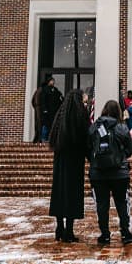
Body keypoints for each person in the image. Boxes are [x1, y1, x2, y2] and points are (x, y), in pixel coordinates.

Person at [88, 99, 132, 245]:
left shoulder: (93, 128)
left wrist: (95, 161)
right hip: (120, 173)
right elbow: (131, 149)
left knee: (101, 204)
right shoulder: (122, 127)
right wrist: (121, 158)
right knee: (122, 202)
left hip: (98, 173)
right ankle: (125, 232)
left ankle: (105, 234)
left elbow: (88, 147)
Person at [48, 89, 89, 242]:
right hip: (75, 161)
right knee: (72, 195)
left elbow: (53, 138)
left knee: (59, 193)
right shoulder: (80, 116)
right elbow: (85, 138)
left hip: (60, 160)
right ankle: (69, 231)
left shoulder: (60, 115)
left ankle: (59, 227)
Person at [39, 77, 62, 141]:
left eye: (53, 81)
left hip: (54, 111)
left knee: (53, 125)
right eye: (52, 81)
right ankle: (43, 139)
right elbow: (43, 100)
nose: (53, 82)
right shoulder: (45, 90)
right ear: (49, 82)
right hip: (47, 111)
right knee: (46, 125)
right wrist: (44, 109)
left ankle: (51, 139)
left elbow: (59, 98)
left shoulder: (55, 90)